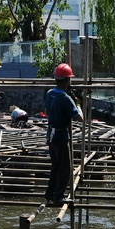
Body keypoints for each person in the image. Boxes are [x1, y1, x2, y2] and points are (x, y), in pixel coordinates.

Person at [43, 62, 82, 206]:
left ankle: (49, 193)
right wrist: (78, 105)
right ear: (67, 80)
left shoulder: (49, 93)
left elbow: (47, 111)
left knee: (56, 166)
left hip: (50, 135)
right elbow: (79, 118)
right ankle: (58, 196)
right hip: (60, 136)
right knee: (65, 168)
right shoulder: (65, 98)